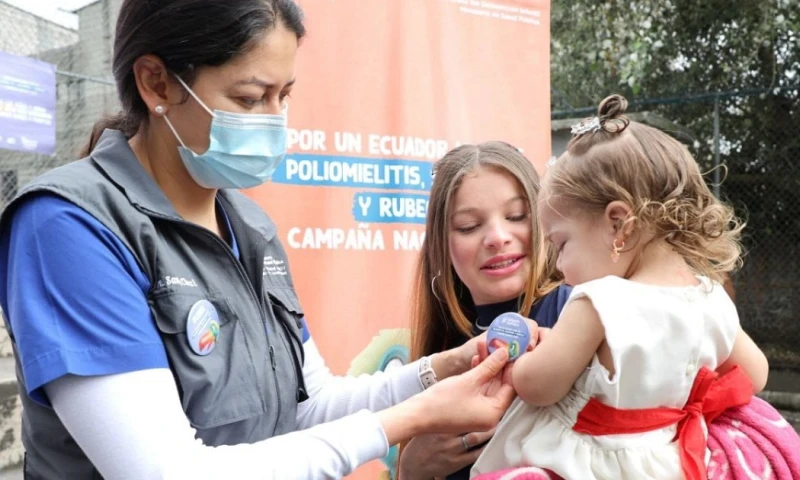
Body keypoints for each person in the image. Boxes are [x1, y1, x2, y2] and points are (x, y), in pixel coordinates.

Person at [0, 1, 519, 479]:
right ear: (157, 84)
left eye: (284, 95)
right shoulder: (69, 228)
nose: (275, 120)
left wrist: (434, 373)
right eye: (250, 98)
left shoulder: (249, 226)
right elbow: (165, 471)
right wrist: (408, 420)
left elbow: (307, 406)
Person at [470, 95, 770, 480]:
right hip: (670, 463)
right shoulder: (710, 296)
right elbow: (754, 375)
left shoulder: (601, 301)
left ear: (618, 224)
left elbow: (537, 385)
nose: (559, 267)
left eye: (562, 244)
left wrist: (518, 357)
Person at [398, 142, 573, 480]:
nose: (497, 237)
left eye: (517, 216)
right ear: (440, 245)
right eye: (468, 226)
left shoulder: (579, 312)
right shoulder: (441, 354)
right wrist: (412, 471)